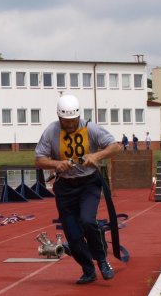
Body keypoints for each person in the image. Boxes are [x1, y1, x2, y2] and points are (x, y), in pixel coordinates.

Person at [35, 94, 121, 285]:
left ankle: (102, 261)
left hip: (88, 183)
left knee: (88, 221)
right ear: (59, 118)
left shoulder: (90, 128)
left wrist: (97, 156)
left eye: (74, 121)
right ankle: (88, 270)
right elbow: (39, 159)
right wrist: (57, 164)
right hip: (65, 188)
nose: (71, 126)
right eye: (67, 122)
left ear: (79, 116)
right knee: (73, 237)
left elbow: (115, 147)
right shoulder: (51, 131)